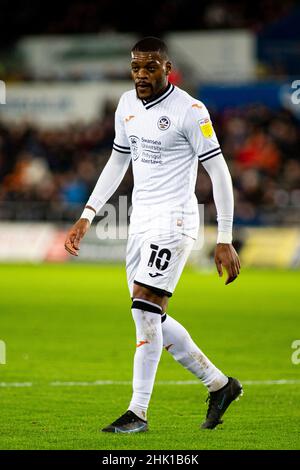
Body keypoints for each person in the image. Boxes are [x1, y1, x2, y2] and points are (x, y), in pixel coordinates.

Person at [64, 37, 242, 433]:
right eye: (136, 68)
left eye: (150, 67)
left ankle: (137, 413)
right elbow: (116, 161)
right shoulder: (127, 105)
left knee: (144, 309)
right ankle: (220, 385)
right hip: (139, 222)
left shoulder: (191, 111)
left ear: (167, 67)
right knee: (151, 318)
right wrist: (87, 215)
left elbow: (219, 173)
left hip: (174, 221)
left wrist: (225, 237)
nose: (141, 75)